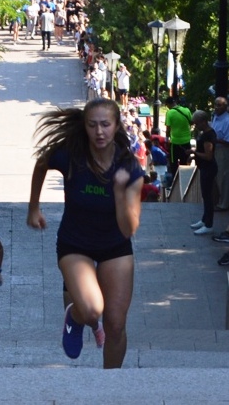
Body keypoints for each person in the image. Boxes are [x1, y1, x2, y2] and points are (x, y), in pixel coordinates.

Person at [27, 98, 144, 368]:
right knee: (93, 311)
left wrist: (118, 194)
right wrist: (33, 207)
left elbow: (129, 228)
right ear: (85, 126)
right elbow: (42, 162)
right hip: (74, 243)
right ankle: (76, 318)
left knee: (115, 324)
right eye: (92, 125)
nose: (99, 132)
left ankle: (109, 385)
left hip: (115, 245)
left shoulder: (130, 168)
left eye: (105, 125)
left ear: (116, 126)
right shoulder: (72, 155)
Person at [189, 110, 218, 235]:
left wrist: (194, 153)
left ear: (203, 122)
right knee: (205, 195)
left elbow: (208, 156)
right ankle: (204, 219)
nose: (195, 125)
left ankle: (209, 224)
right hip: (205, 167)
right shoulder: (204, 133)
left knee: (208, 196)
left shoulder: (208, 136)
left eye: (196, 123)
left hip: (208, 168)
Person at [212, 96, 229, 210]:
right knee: (223, 177)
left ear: (226, 107)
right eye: (215, 104)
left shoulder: (228, 122)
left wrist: (214, 139)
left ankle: (223, 204)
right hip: (216, 150)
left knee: (223, 178)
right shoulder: (215, 117)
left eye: (219, 105)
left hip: (224, 151)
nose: (216, 107)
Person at [164, 97, 193, 178]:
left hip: (175, 142)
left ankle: (175, 180)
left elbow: (168, 129)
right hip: (186, 141)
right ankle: (185, 179)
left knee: (174, 163)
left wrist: (166, 140)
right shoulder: (186, 110)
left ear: (168, 104)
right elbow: (191, 122)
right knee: (185, 162)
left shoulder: (170, 113)